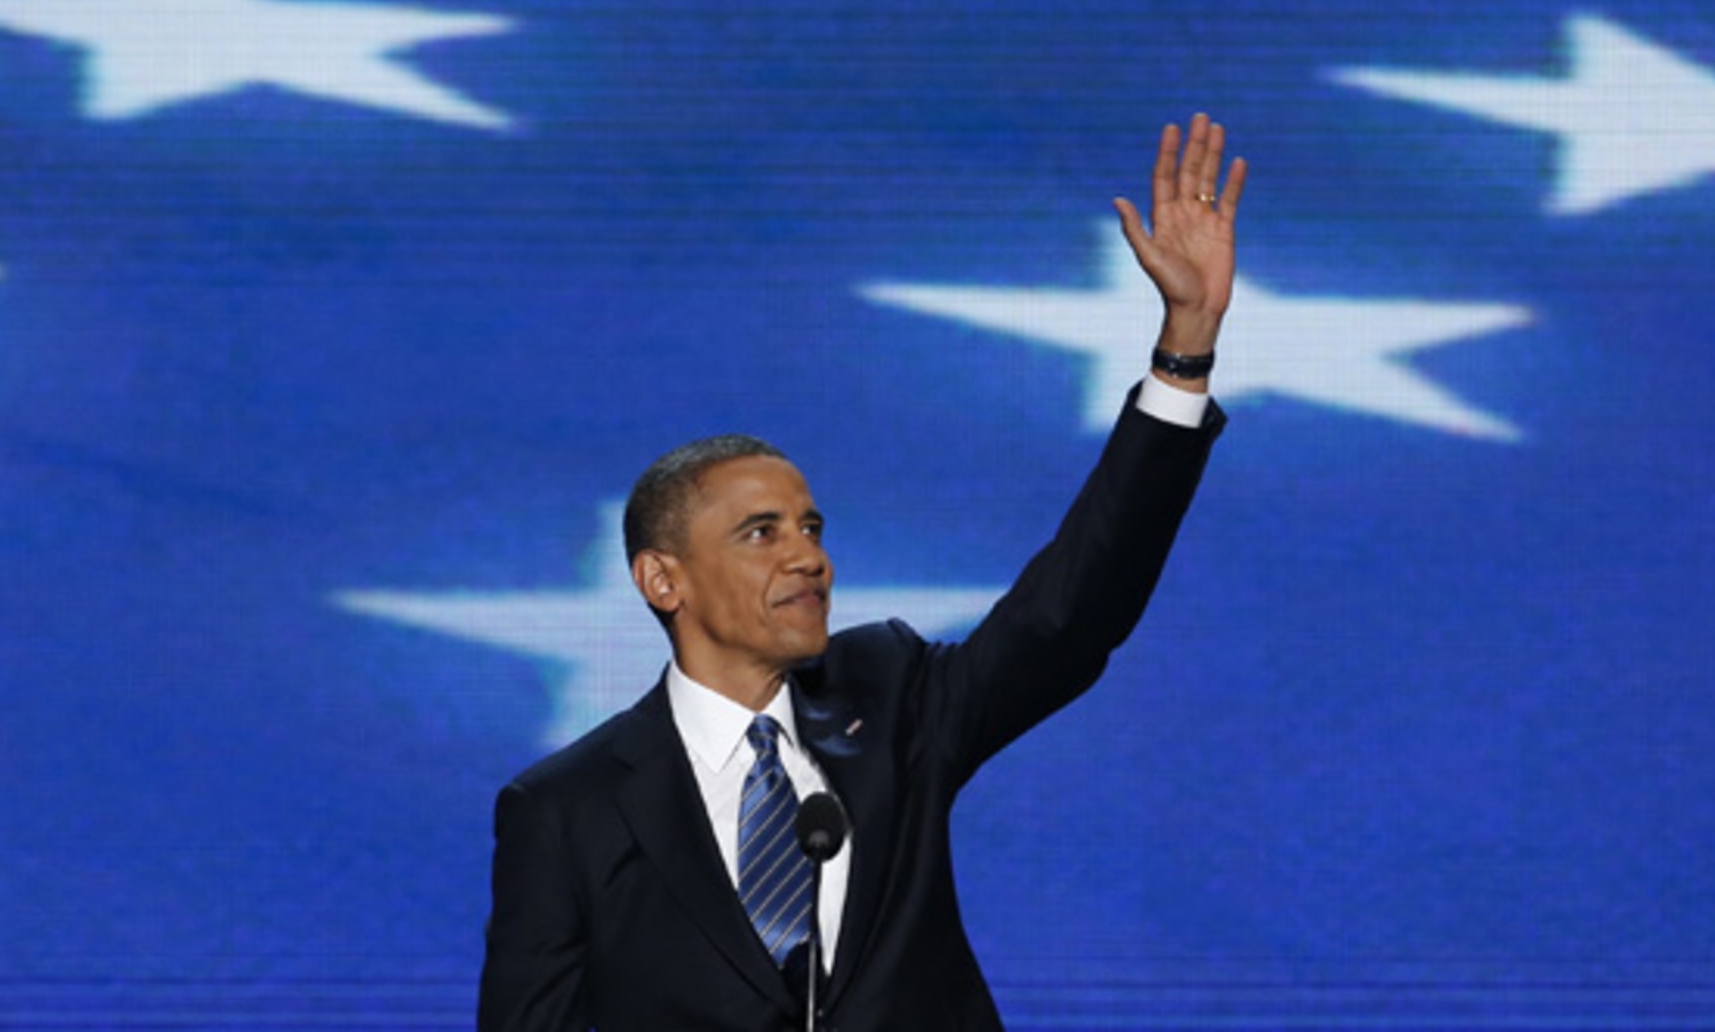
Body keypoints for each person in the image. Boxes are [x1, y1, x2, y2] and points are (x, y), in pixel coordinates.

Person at [477, 114, 1247, 1032]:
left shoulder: (891, 697)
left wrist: (1183, 352)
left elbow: (1068, 615)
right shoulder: (566, 808)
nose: (807, 554)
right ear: (662, 580)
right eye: (760, 534)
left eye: (810, 526)